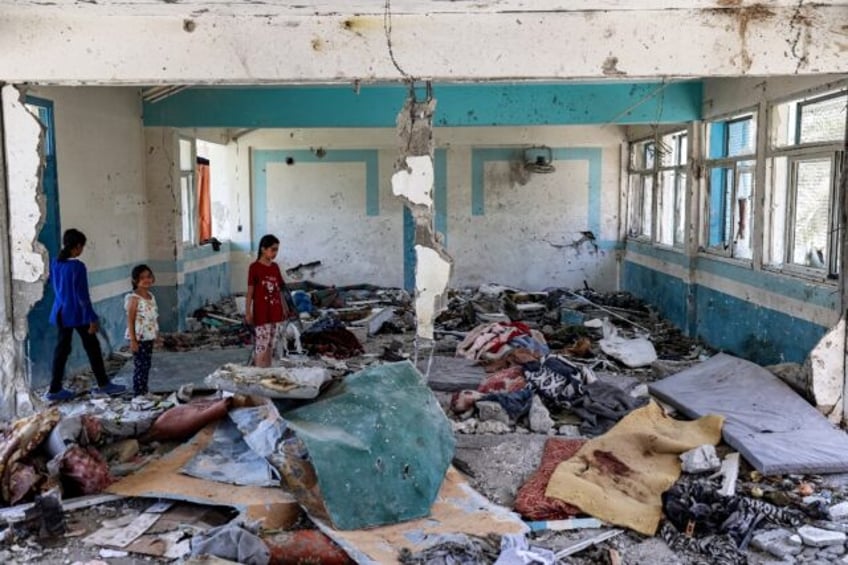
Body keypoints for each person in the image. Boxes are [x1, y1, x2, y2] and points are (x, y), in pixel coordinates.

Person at [47, 229, 126, 401]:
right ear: (77, 247)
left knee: (61, 351)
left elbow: (55, 287)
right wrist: (92, 317)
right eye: (82, 246)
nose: (82, 250)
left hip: (60, 312)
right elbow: (82, 296)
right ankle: (104, 384)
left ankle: (54, 389)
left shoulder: (54, 263)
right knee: (93, 348)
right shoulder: (77, 267)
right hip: (77, 313)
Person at [245, 234, 291, 367]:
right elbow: (250, 292)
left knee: (272, 344)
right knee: (262, 345)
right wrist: (248, 312)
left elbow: (279, 289)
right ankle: (259, 373)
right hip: (262, 313)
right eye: (273, 249)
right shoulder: (254, 268)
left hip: (275, 311)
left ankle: (268, 371)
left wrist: (285, 307)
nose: (275, 253)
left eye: (277, 249)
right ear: (263, 249)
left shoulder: (275, 267)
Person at [125, 264, 159, 397]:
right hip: (139, 338)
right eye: (142, 277)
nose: (146, 280)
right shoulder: (133, 299)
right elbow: (130, 319)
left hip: (148, 336)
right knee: (141, 366)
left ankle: (144, 391)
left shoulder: (151, 296)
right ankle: (139, 394)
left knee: (146, 365)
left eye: (149, 277)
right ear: (135, 280)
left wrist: (156, 333)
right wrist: (133, 340)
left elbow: (154, 316)